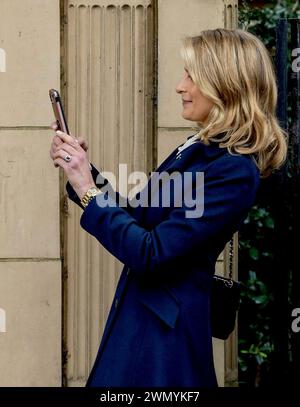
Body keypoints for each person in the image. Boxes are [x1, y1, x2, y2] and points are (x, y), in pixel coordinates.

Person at [50, 28, 287, 387]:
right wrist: (84, 172)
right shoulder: (198, 150)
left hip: (163, 345)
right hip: (143, 328)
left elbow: (152, 252)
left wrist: (87, 191)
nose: (180, 86)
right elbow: (142, 215)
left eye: (192, 75)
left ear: (224, 84)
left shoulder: (233, 171)